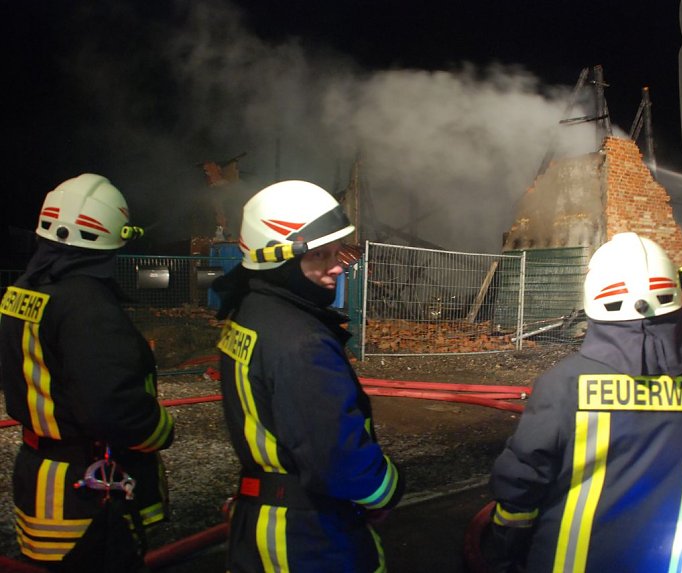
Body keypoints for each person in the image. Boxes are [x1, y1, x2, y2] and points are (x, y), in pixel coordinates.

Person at [487, 232, 682, 573]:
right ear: (676, 291)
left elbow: (520, 488)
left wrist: (503, 552)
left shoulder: (563, 385)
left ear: (594, 297)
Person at [214, 179, 404, 573]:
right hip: (309, 536)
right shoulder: (303, 342)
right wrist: (386, 490)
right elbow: (336, 456)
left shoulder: (251, 311)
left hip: (264, 519)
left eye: (338, 252)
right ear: (277, 258)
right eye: (320, 255)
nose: (337, 267)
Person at [0, 173, 175, 569]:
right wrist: (161, 429)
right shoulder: (88, 306)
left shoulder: (23, 291)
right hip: (88, 498)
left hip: (39, 478)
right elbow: (113, 409)